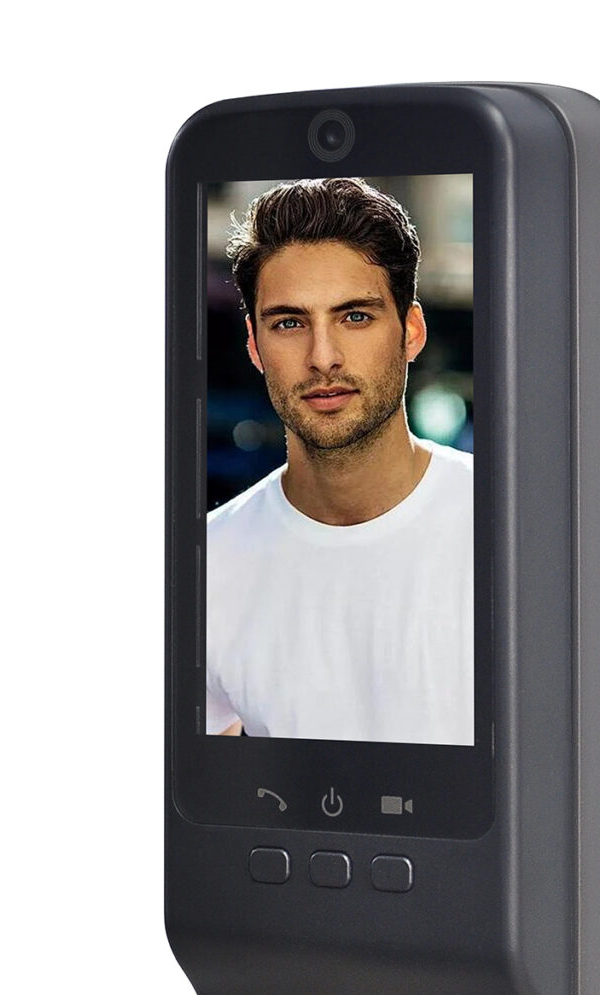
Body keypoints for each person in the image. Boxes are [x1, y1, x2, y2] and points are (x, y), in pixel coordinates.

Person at [203, 177, 473, 745]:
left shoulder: (515, 531)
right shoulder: (208, 563)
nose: (322, 357)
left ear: (411, 331)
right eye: (289, 323)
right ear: (254, 344)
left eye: (355, 317)